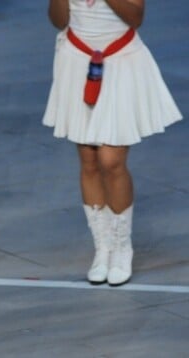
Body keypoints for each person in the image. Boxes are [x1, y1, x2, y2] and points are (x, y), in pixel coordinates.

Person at [43, 0, 182, 286]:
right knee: (89, 161)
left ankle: (122, 246)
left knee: (112, 161)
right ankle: (102, 247)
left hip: (119, 60)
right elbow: (58, 20)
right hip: (76, 59)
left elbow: (135, 16)